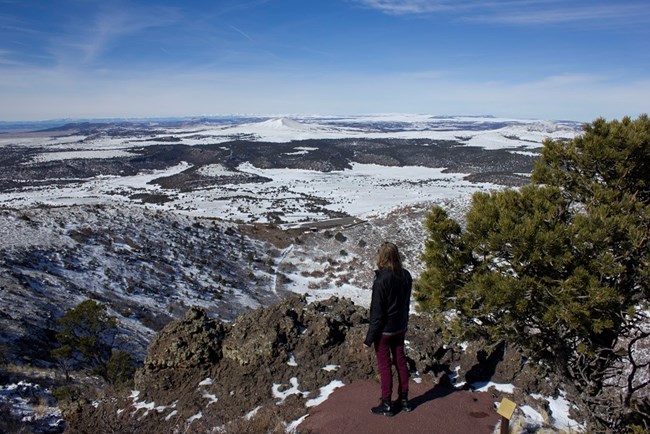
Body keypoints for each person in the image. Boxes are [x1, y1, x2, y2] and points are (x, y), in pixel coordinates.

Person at [363, 242, 413, 416]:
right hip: (400, 327)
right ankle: (405, 400)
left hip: (384, 331)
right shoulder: (406, 276)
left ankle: (386, 404)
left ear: (381, 257)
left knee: (385, 366)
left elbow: (377, 313)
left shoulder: (381, 280)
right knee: (401, 362)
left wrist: (369, 339)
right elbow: (406, 303)